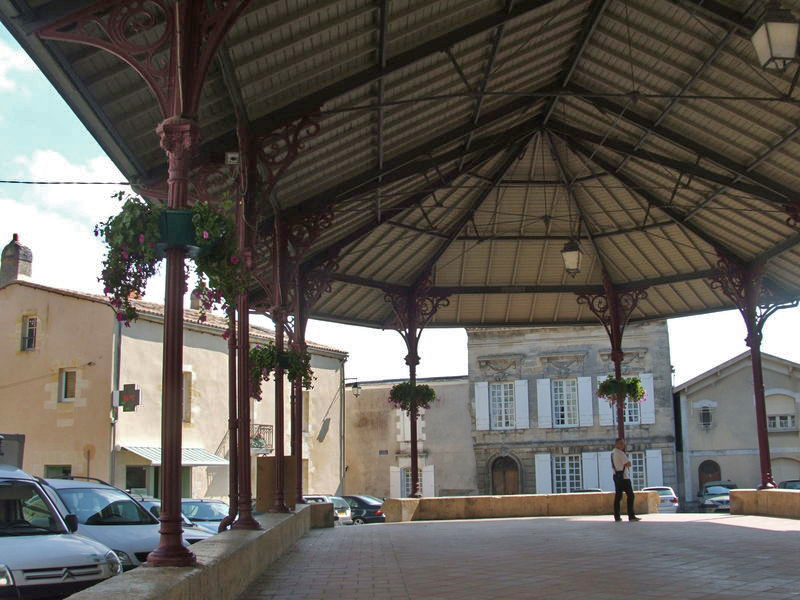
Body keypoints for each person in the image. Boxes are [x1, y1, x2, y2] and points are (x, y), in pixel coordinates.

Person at [612, 438, 641, 522]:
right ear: (617, 444)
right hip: (624, 477)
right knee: (631, 496)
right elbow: (628, 464)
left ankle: (617, 516)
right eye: (621, 443)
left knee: (618, 496)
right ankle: (631, 516)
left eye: (623, 443)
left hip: (616, 475)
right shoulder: (620, 453)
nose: (623, 445)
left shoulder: (612, 452)